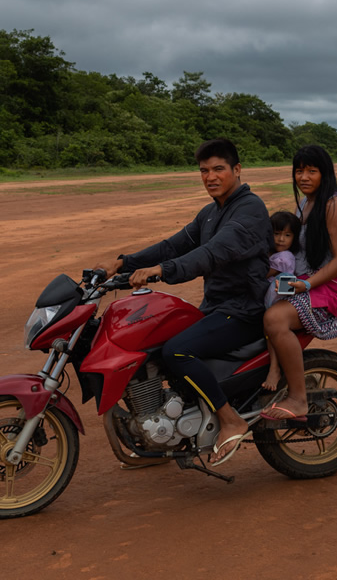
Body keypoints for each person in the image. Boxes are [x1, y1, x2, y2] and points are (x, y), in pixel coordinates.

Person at [95, 138, 272, 467]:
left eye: (218, 169)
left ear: (237, 170)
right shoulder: (210, 213)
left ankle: (230, 419)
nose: (210, 177)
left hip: (243, 310)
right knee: (152, 340)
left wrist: (161, 272)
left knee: (176, 350)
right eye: (204, 171)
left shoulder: (250, 210)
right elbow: (172, 246)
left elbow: (213, 253)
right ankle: (161, 438)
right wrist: (123, 263)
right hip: (217, 306)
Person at [261, 145, 337, 422]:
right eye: (299, 170)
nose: (303, 177)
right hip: (302, 279)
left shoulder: (334, 204)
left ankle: (298, 398)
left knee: (274, 318)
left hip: (327, 286)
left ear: (324, 173)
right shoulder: (306, 203)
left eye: (311, 171)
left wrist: (306, 285)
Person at [262, 210, 301, 391]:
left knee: (270, 328)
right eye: (276, 234)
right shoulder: (275, 254)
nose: (281, 239)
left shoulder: (284, 258)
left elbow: (261, 274)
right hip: (274, 295)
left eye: (287, 235)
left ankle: (274, 367)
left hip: (277, 300)